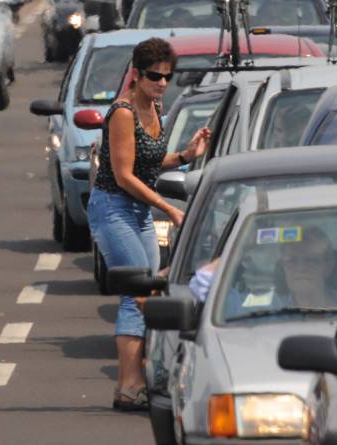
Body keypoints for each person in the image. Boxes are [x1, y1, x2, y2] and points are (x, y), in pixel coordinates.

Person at [86, 37, 211, 412]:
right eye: (154, 76)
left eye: (166, 77)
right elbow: (124, 176)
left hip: (136, 211)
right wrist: (169, 209)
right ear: (136, 76)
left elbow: (149, 164)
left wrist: (187, 155)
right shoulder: (122, 112)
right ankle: (128, 387)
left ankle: (139, 377)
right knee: (137, 294)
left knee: (151, 292)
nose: (161, 83)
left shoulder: (156, 106)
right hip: (113, 208)